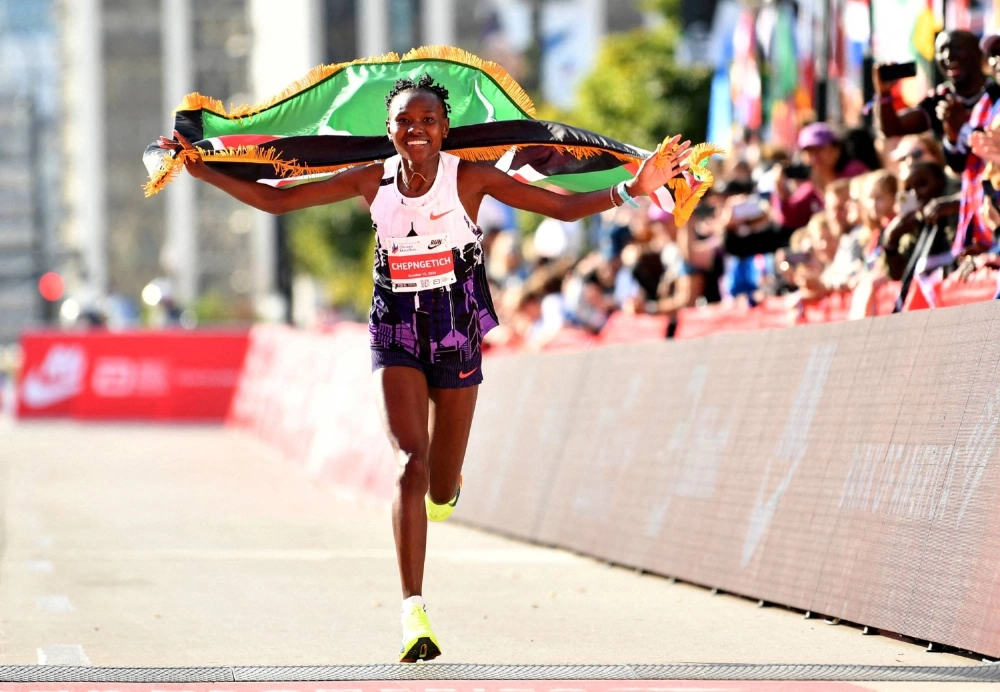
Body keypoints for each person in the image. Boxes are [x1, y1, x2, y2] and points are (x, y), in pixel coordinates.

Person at [161, 74, 691, 662]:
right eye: (405, 122)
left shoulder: (471, 177)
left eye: (428, 122)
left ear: (445, 130)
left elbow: (560, 208)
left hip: (455, 319)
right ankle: (413, 610)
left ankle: (447, 485)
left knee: (440, 486)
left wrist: (632, 189)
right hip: (395, 321)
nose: (416, 131)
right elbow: (282, 199)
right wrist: (203, 170)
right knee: (409, 463)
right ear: (389, 130)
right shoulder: (372, 177)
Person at [773, 122, 868, 231]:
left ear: (836, 150)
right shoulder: (810, 186)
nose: (814, 156)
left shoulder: (855, 172)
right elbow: (791, 216)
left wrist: (821, 188)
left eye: (819, 149)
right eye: (808, 151)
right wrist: (780, 190)